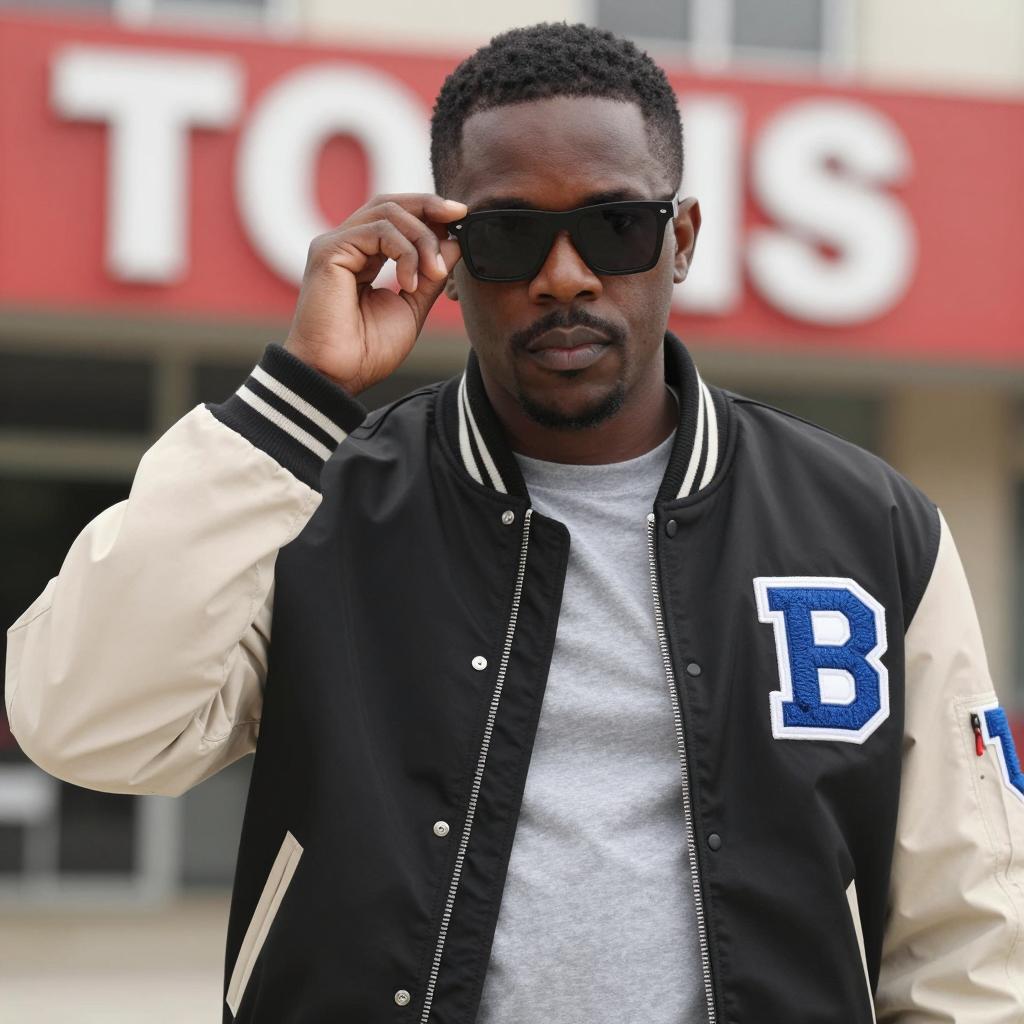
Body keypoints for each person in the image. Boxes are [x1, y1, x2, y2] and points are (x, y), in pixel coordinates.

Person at [5, 20, 1023, 1024]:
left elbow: (966, 933)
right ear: (447, 258)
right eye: (508, 236)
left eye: (615, 226)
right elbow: (84, 724)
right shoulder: (317, 508)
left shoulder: (870, 527)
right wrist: (296, 398)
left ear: (680, 241)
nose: (565, 275)